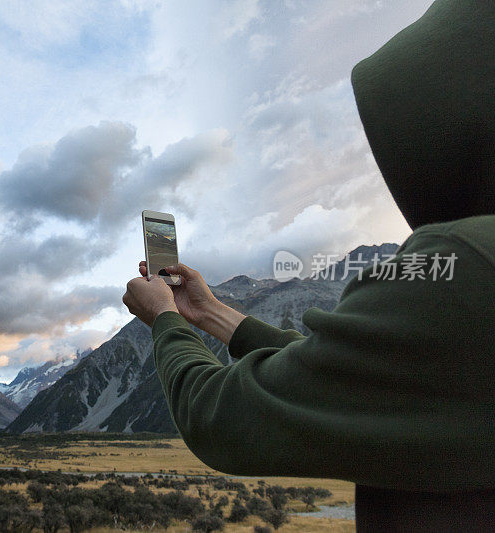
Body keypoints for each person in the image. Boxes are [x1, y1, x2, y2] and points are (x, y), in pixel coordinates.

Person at [122, 1, 495, 530]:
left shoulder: (463, 268)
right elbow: (356, 379)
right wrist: (210, 314)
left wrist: (166, 320)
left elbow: (222, 418)